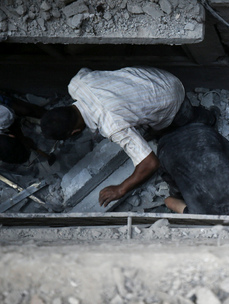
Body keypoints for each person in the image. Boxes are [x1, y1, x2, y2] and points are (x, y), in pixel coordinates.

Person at [40, 66, 217, 207]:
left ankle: (206, 118)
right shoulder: (77, 83)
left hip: (170, 95)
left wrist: (121, 189)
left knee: (185, 118)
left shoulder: (111, 125)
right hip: (155, 76)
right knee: (141, 119)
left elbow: (150, 163)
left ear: (74, 133)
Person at [158, 122, 229, 216]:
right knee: (176, 183)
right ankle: (178, 191)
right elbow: (168, 201)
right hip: (166, 149)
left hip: (200, 133)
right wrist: (187, 203)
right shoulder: (201, 213)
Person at [0, 93, 47, 165]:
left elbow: (12, 123)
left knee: (25, 110)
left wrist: (22, 138)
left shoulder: (3, 116)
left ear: (11, 135)